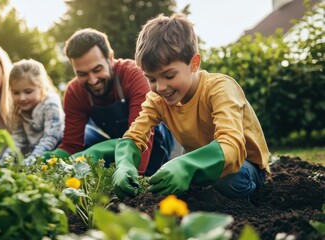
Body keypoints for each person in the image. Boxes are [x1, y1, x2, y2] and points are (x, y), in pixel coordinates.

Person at [112, 13, 270, 200]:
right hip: (198, 165)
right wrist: (124, 164)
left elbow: (232, 146)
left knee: (226, 180)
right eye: (151, 79)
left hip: (244, 168)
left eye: (169, 76)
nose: (160, 87)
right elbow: (136, 134)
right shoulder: (157, 100)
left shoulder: (219, 88)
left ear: (194, 63)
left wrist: (185, 165)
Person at [46, 28, 174, 176]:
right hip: (116, 141)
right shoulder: (75, 92)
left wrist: (134, 177)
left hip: (151, 140)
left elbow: (141, 134)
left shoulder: (134, 75)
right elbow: (71, 145)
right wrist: (43, 160)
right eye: (82, 74)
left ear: (110, 57)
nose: (92, 80)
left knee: (153, 126)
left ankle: (148, 173)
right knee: (87, 134)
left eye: (97, 69)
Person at [8, 59, 64, 165]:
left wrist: (31, 161)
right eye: (16, 92)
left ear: (41, 88)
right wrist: (4, 161)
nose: (22, 98)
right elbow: (17, 140)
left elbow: (51, 137)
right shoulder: (18, 109)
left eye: (28, 92)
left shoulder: (50, 103)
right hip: (36, 154)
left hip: (57, 149)